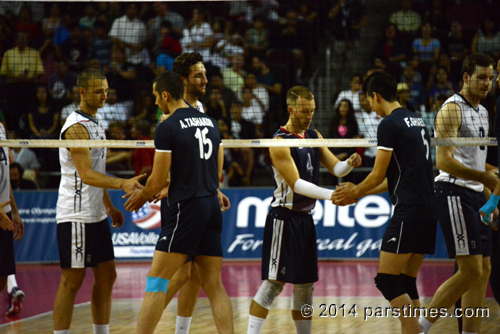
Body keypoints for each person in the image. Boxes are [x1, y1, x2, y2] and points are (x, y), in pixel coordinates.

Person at [124, 71, 233, 334]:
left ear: (165, 94)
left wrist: (143, 194)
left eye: (155, 96)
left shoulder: (167, 125)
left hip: (186, 208)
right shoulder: (210, 122)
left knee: (156, 283)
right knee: (215, 286)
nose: (154, 103)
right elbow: (215, 169)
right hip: (210, 205)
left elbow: (157, 178)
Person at [247, 86, 361, 334]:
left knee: (305, 285)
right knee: (273, 285)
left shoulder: (314, 135)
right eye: (304, 111)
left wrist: (349, 164)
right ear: (290, 109)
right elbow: (296, 183)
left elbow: (336, 169)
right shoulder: (278, 141)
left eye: (312, 111)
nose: (309, 116)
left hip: (305, 220)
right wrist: (333, 195)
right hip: (283, 217)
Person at [333, 72, 436, 334]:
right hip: (428, 210)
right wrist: (361, 194)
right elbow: (394, 178)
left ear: (376, 96)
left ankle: (415, 331)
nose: (371, 108)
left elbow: (377, 173)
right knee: (407, 280)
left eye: (369, 102)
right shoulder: (417, 120)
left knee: (387, 281)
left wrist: (353, 191)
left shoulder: (389, 124)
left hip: (409, 211)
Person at [53, 69, 145, 334]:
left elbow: (98, 169)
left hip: (96, 214)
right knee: (72, 280)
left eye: (106, 90)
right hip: (76, 214)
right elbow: (86, 173)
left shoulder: (96, 120)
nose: (104, 95)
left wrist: (107, 205)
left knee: (107, 276)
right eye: (98, 91)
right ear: (81, 92)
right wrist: (123, 183)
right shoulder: (76, 128)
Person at [417, 53, 496, 334]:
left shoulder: (484, 111)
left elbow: (475, 162)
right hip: (452, 191)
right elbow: (444, 161)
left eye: (490, 77)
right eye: (481, 77)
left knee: (483, 271)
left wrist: (489, 193)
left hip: (475, 195)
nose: (488, 82)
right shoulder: (452, 109)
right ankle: (420, 328)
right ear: (465, 77)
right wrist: (485, 178)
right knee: (471, 270)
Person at [0, 122, 25, 317]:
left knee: (2, 278)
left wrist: (14, 211)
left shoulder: (1, 128)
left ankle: (12, 289)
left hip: (5, 210)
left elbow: (5, 176)